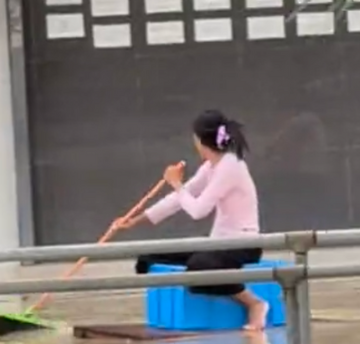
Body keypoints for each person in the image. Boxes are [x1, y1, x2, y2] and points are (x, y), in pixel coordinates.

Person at [111, 110, 268, 331]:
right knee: (148, 259)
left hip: (243, 245)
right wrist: (136, 220)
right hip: (218, 244)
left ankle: (254, 303)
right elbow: (179, 199)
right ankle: (173, 313)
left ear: (201, 140)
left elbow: (198, 210)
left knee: (199, 267)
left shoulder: (231, 165)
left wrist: (176, 183)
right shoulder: (211, 166)